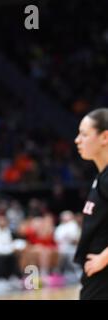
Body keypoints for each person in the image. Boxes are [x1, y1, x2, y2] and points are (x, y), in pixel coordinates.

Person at [74, 108, 108, 299]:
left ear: (105, 137)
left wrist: (104, 258)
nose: (77, 140)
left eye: (84, 134)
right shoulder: (102, 177)